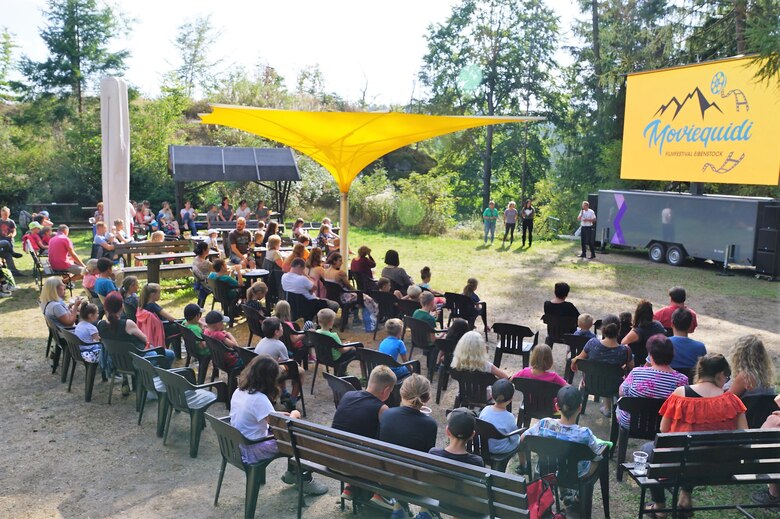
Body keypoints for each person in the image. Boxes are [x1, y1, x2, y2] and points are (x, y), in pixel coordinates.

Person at [646, 354, 747, 515]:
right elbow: (744, 436)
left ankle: (659, 507)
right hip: (720, 468)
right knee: (699, 453)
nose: (726, 381)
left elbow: (664, 429)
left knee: (648, 449)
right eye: (727, 377)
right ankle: (685, 496)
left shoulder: (681, 394)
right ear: (720, 375)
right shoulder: (733, 401)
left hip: (682, 464)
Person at [228, 355, 328, 496]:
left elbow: (262, 416)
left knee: (291, 436)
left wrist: (278, 415)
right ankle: (303, 479)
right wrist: (294, 414)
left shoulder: (240, 390)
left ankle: (293, 473)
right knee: (299, 439)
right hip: (253, 449)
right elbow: (283, 427)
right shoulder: (259, 399)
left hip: (239, 443)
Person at [522, 385, 609, 505]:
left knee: (559, 459)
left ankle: (563, 491)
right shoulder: (584, 434)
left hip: (548, 470)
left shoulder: (544, 424)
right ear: (580, 408)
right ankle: (578, 497)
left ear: (557, 406)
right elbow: (596, 454)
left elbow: (523, 438)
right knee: (598, 459)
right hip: (577, 474)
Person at [617, 334, 688, 430]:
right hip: (664, 425)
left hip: (632, 422)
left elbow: (622, 392)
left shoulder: (636, 372)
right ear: (672, 355)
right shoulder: (682, 380)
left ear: (650, 355)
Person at [571, 315, 633, 416]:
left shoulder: (592, 343)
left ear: (603, 329)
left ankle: (602, 408)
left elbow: (578, 359)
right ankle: (609, 408)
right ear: (619, 330)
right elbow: (631, 368)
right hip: (614, 387)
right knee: (610, 376)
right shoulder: (625, 350)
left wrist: (573, 362)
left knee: (601, 374)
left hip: (590, 383)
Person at [478, 379, 521, 457]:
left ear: (492, 395)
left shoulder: (485, 410)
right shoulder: (509, 417)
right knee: (522, 440)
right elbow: (514, 439)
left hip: (483, 445)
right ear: (511, 399)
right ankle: (523, 463)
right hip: (500, 449)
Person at [0, 206, 24, 277]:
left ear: (9, 214)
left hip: (8, 241)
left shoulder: (11, 222)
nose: (5, 216)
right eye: (3, 214)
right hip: (1, 241)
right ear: (1, 214)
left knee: (8, 255)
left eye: (6, 214)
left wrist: (12, 235)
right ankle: (12, 252)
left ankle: (13, 271)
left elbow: (14, 231)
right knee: (5, 242)